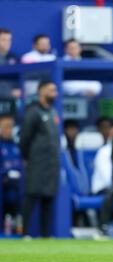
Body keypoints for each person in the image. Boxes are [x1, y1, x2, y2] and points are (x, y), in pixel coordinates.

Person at [19, 81, 60, 238]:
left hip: (51, 163)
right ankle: (25, 233)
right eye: (51, 90)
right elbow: (25, 138)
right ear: (41, 91)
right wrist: (27, 157)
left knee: (48, 198)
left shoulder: (52, 112)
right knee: (31, 196)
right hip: (36, 161)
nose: (55, 93)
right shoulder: (33, 112)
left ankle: (45, 234)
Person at [0, 115, 23, 234]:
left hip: (16, 184)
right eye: (6, 127)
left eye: (11, 127)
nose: (9, 130)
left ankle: (18, 227)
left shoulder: (16, 146)